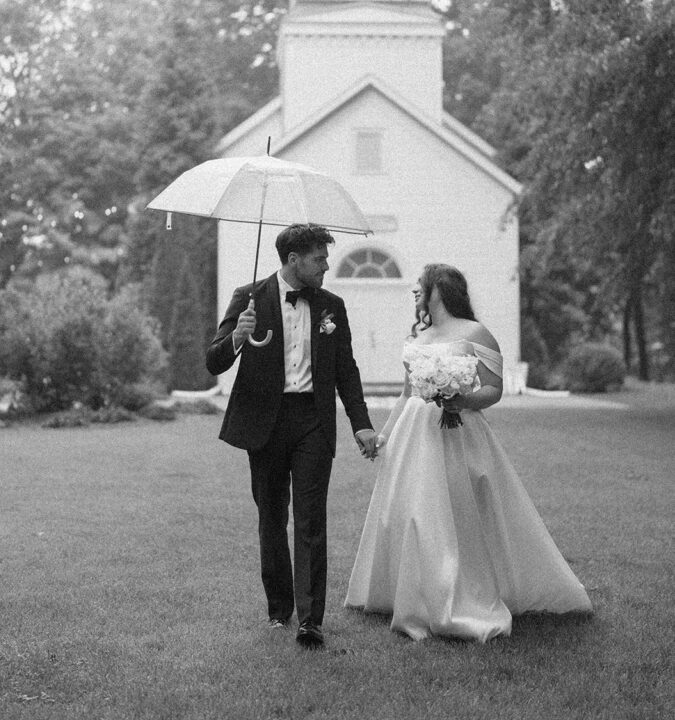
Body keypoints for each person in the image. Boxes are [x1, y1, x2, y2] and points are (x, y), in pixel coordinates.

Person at [345, 263, 592, 642]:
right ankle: (411, 595)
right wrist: (385, 436)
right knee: (412, 513)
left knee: (459, 511)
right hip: (415, 433)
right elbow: (406, 394)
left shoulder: (476, 333)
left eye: (419, 285)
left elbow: (493, 389)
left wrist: (461, 401)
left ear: (438, 289)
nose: (413, 290)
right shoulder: (419, 336)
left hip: (461, 434)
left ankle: (460, 593)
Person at [207, 223, 376, 649]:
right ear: (294, 259)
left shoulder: (331, 305)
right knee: (271, 518)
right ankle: (279, 610)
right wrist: (237, 338)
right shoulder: (248, 297)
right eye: (319, 258)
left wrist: (361, 423)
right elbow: (213, 362)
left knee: (311, 517)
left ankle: (311, 620)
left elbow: (346, 371)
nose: (326, 265)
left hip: (312, 422)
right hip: (264, 421)